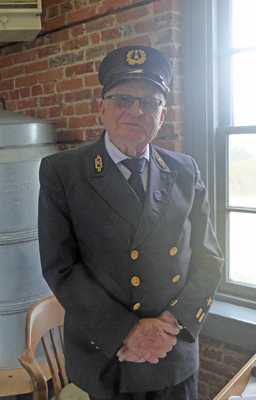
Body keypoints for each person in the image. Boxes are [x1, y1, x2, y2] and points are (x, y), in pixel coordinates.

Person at [38, 45, 224, 400]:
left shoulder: (185, 170)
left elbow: (208, 257)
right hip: (107, 354)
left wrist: (171, 325)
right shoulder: (63, 172)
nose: (136, 110)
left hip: (174, 351)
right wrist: (127, 332)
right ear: (102, 108)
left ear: (163, 114)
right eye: (123, 98)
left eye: (150, 103)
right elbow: (61, 267)